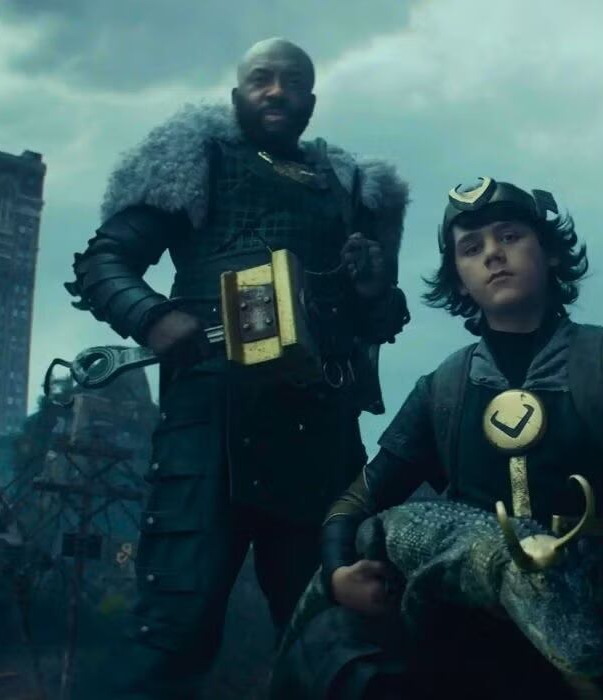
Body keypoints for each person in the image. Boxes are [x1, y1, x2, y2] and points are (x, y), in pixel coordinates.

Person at [65, 38, 410, 698]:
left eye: (292, 82)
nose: (276, 91)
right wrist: (153, 317)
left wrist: (373, 292)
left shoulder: (349, 192)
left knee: (327, 637)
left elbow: (375, 325)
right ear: (237, 95)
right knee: (175, 630)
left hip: (317, 439)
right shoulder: (200, 162)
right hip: (208, 434)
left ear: (311, 100)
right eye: (262, 79)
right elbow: (103, 263)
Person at [286, 178, 603, 698]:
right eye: (471, 248)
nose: (493, 255)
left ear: (549, 252)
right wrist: (337, 574)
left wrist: (598, 565)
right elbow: (356, 502)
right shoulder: (443, 389)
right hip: (472, 657)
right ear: (459, 280)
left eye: (510, 236)